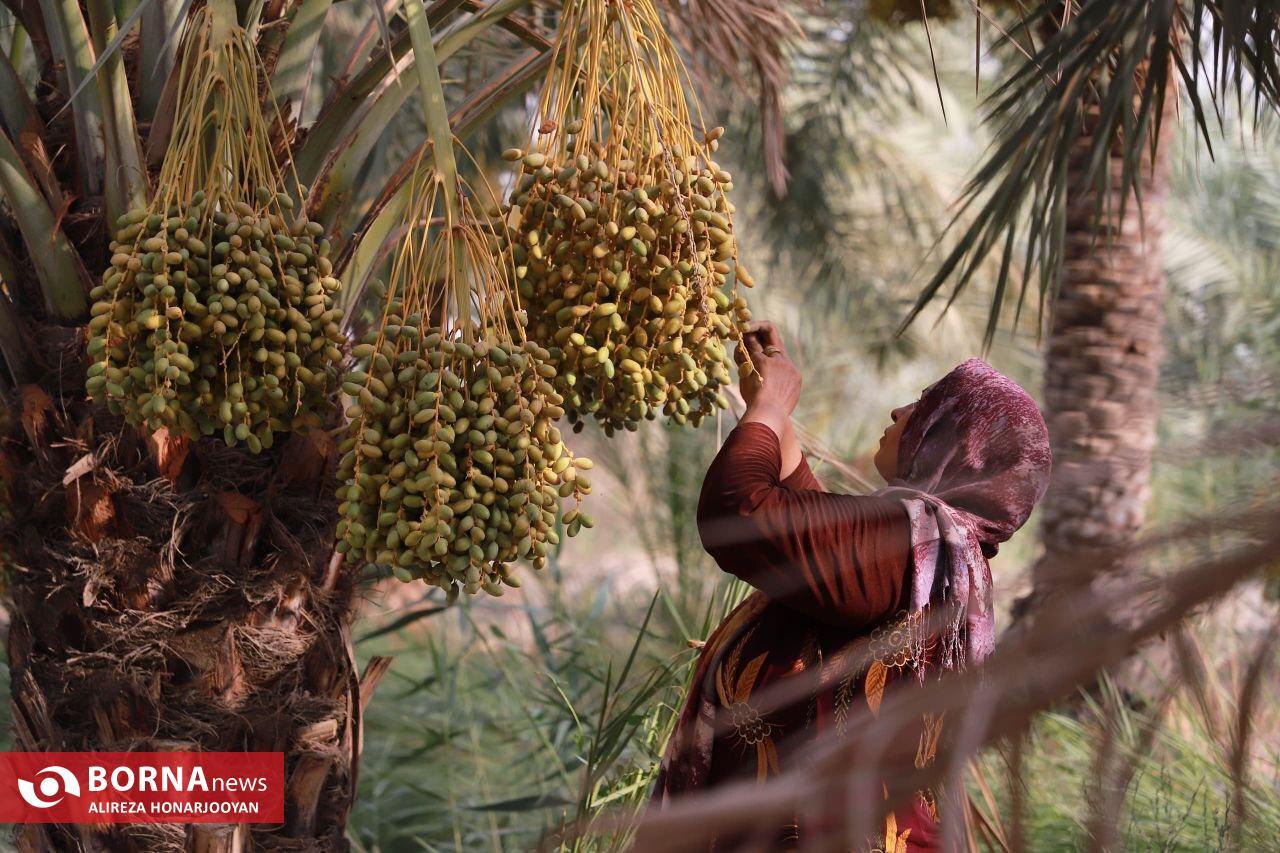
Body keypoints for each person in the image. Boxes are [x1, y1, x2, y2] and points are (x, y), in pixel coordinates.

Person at [651, 321, 1052, 850]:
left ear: (955, 443)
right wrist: (771, 405)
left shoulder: (909, 546)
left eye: (923, 406)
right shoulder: (930, 555)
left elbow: (741, 512)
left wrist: (769, 411)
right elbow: (817, 549)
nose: (898, 412)